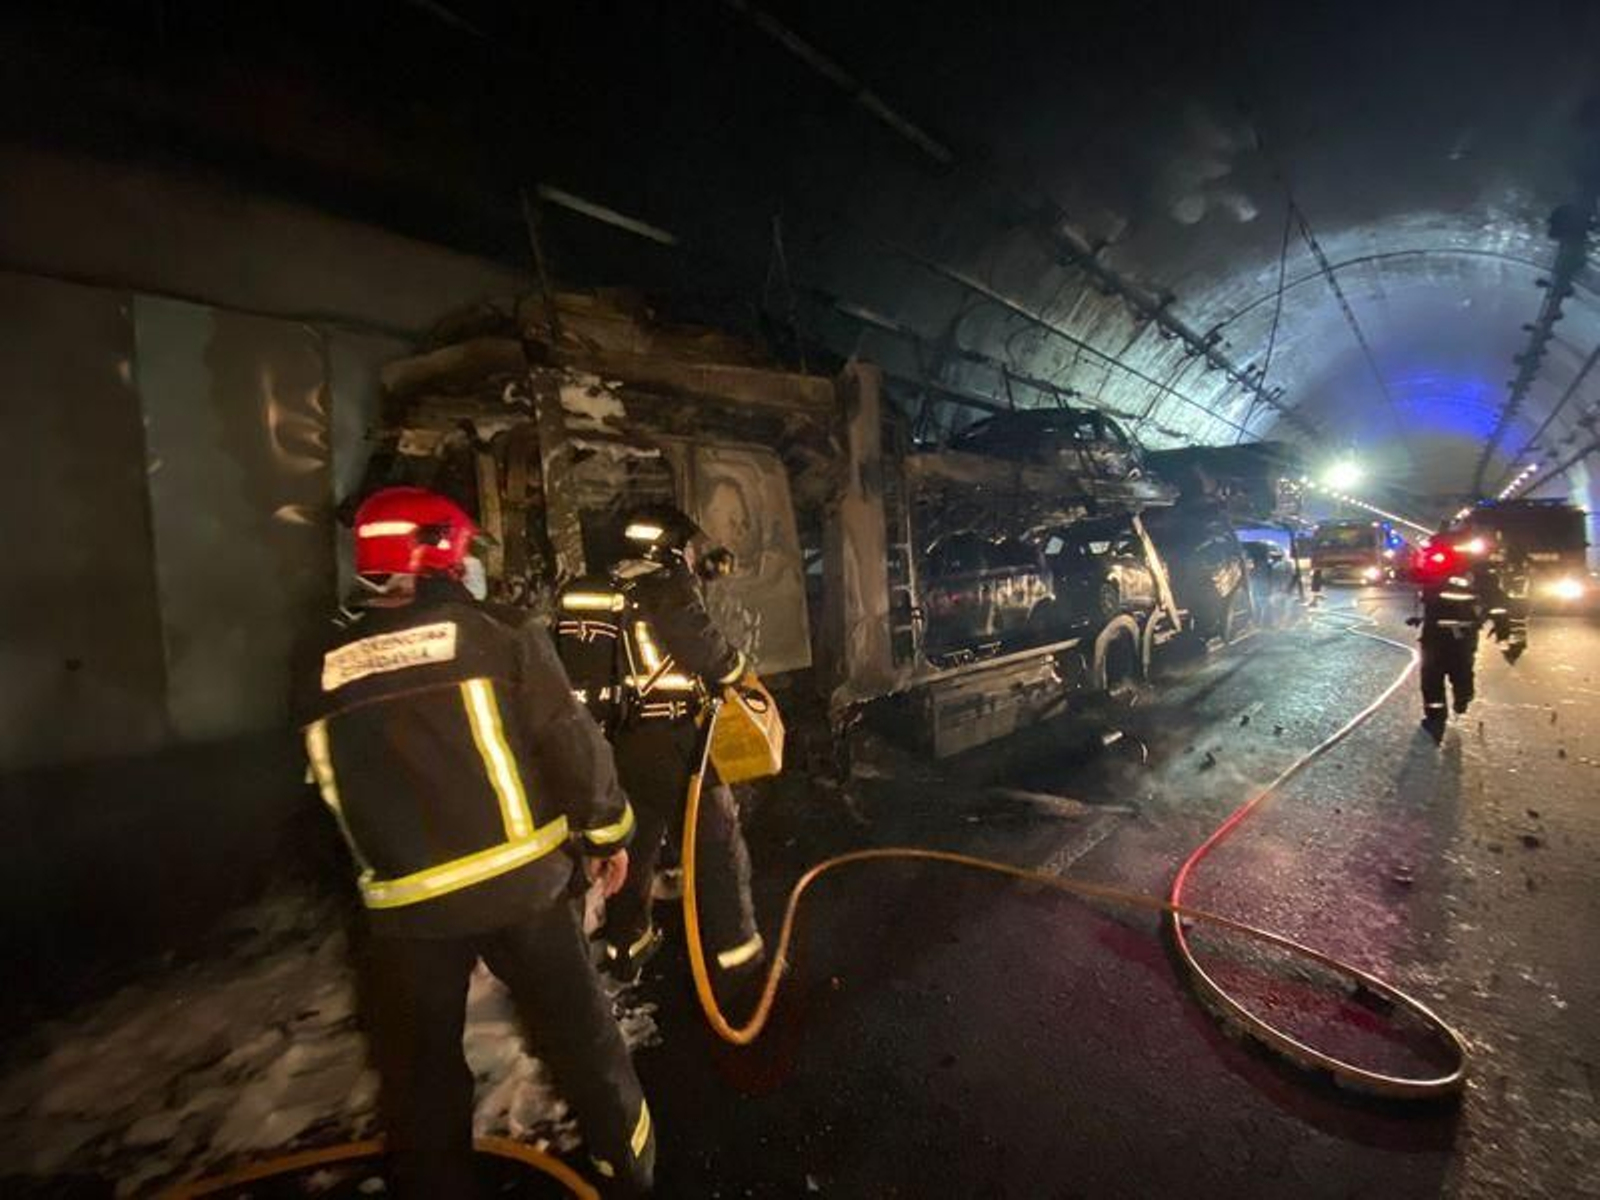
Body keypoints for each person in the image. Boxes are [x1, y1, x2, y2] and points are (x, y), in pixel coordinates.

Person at [296, 486, 654, 1197]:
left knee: (421, 1074)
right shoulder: (500, 632)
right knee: (584, 1043)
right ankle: (629, 1172)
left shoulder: (318, 663)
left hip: (405, 914)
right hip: (523, 894)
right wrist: (610, 834)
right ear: (444, 554)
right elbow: (570, 746)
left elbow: (323, 797)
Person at [556, 503, 762, 987]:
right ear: (667, 546)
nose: (692, 556)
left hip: (622, 743)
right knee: (718, 842)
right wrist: (739, 670)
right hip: (673, 740)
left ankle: (627, 944)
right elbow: (705, 649)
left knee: (638, 842)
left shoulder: (607, 585)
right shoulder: (666, 584)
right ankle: (738, 955)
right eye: (687, 547)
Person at [1407, 526, 1520, 742]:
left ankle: (1436, 717)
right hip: (1463, 631)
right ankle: (1461, 699)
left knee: (1433, 673)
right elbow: (1497, 602)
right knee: (1460, 669)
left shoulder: (1437, 569)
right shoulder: (1480, 573)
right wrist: (1502, 626)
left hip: (1437, 631)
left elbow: (1418, 581)